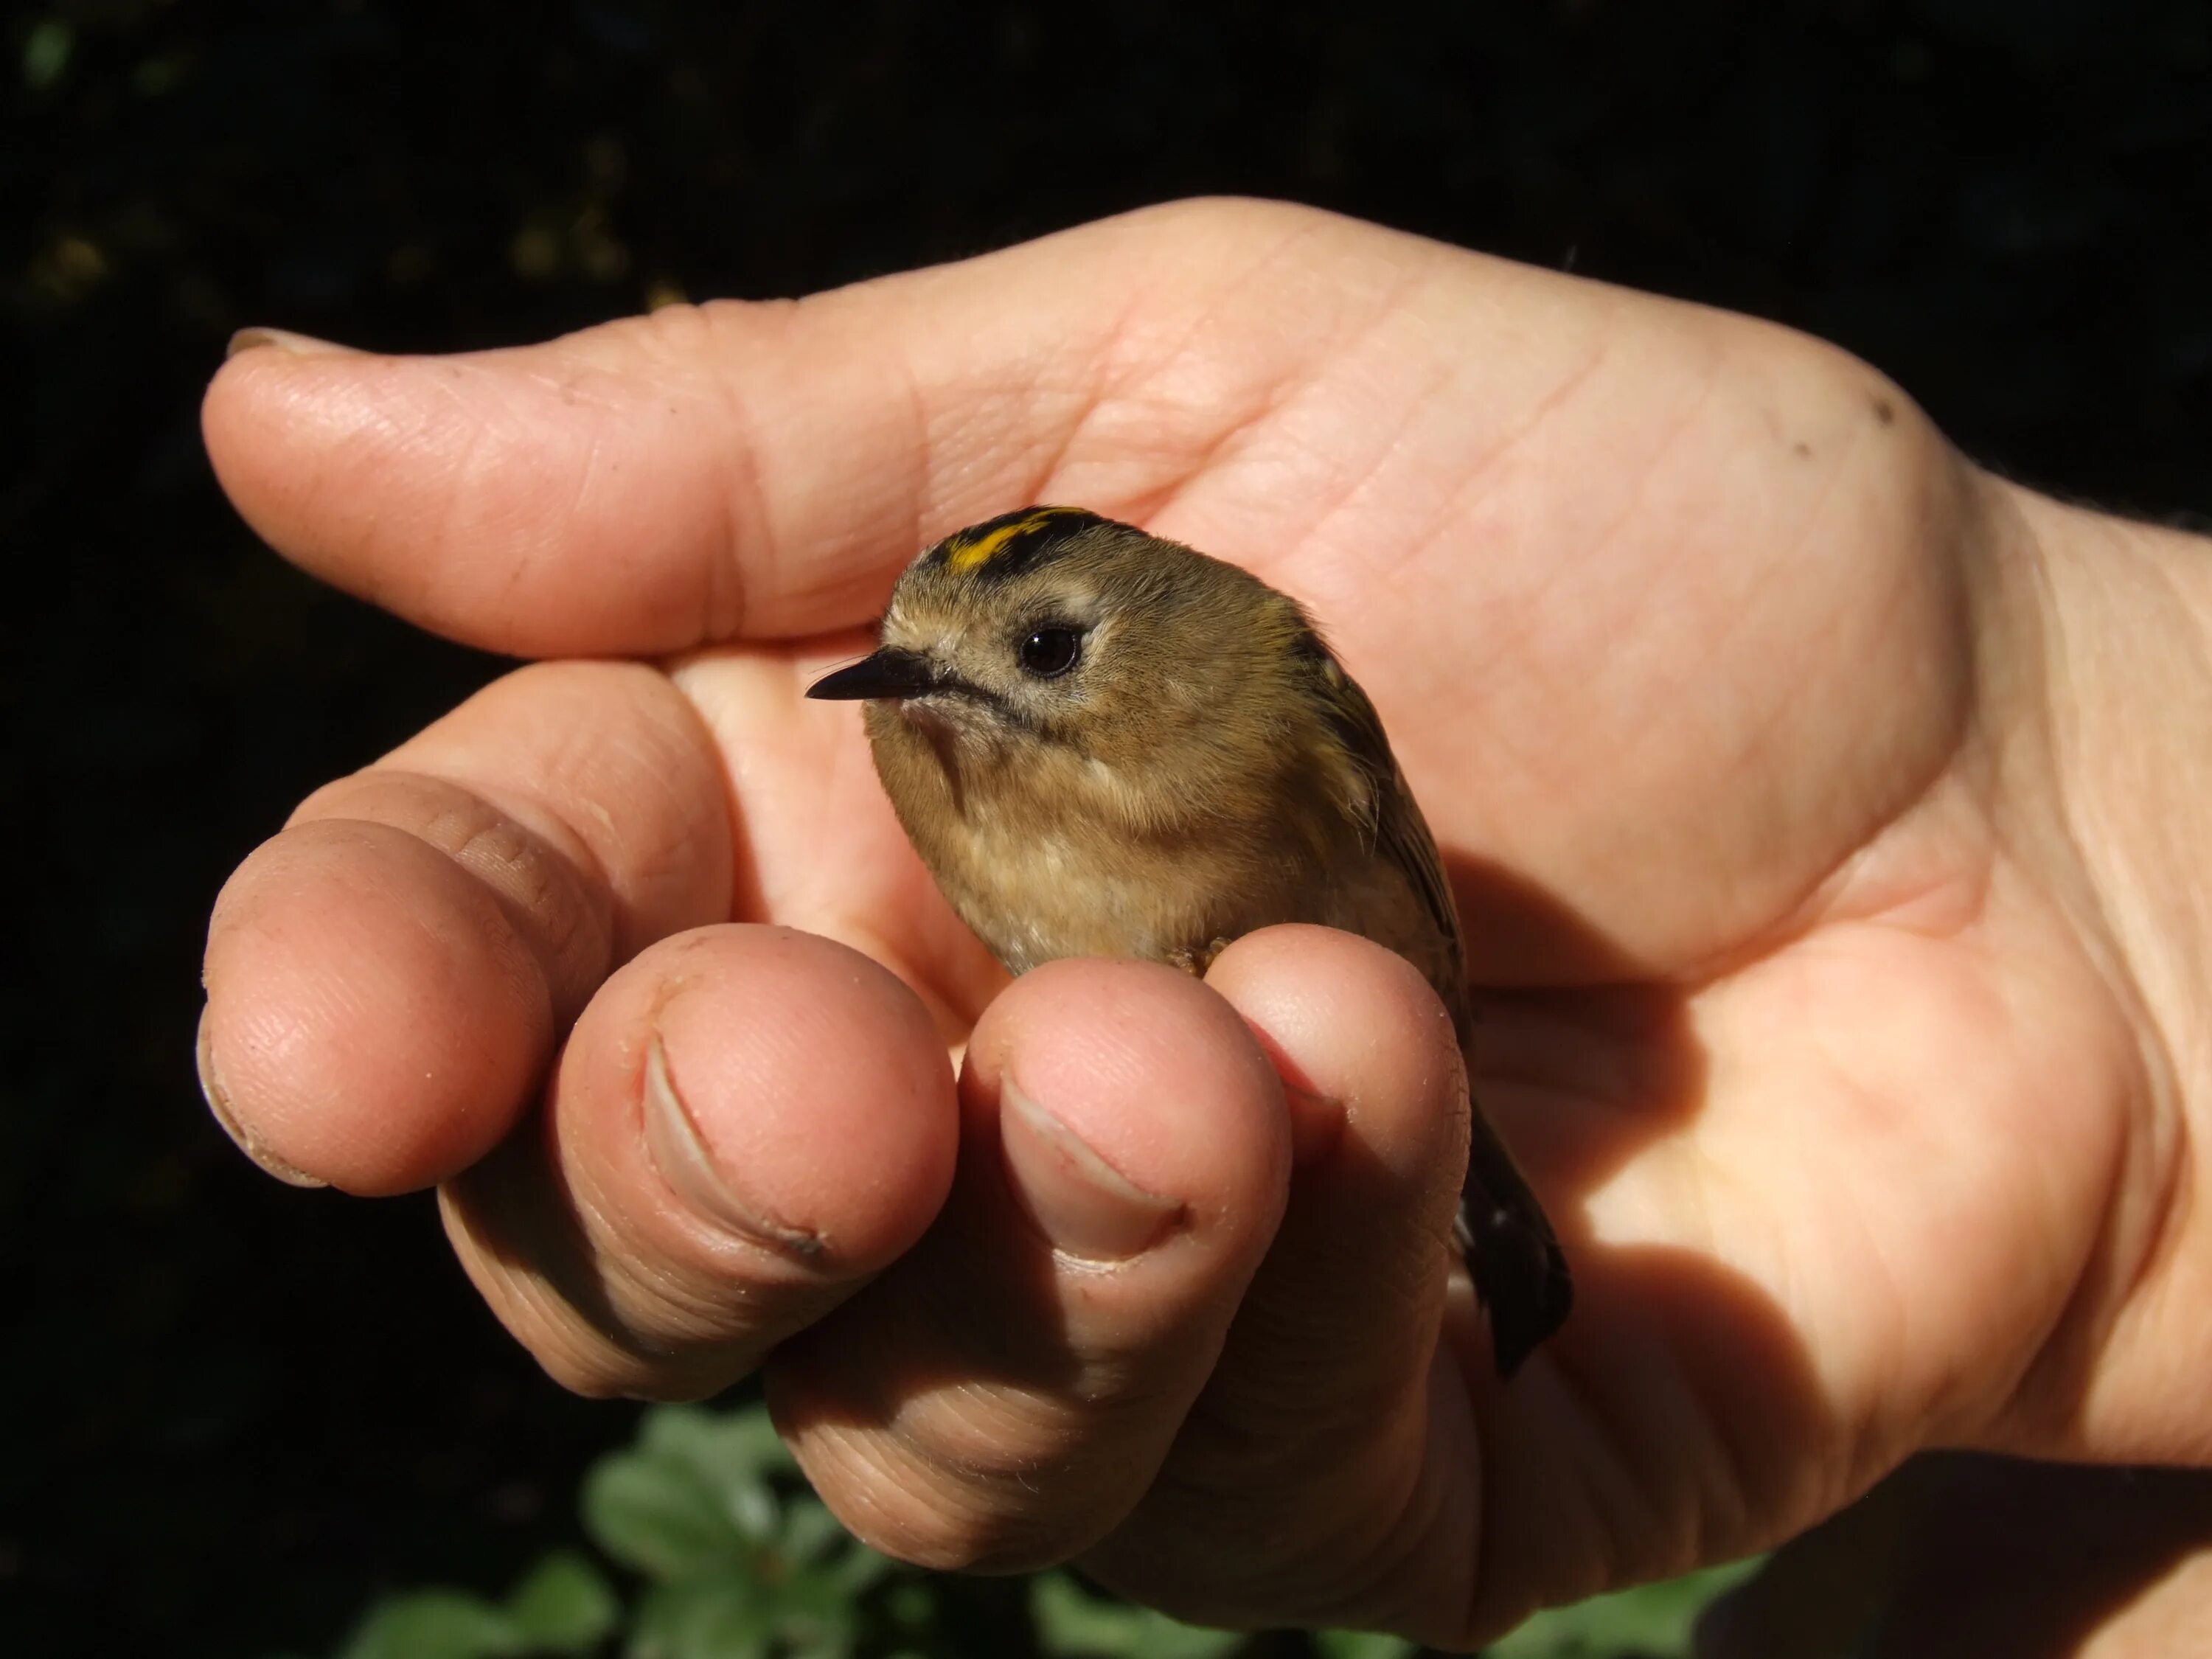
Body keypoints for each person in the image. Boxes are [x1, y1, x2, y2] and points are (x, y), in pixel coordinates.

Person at [195, 198, 2212, 1652]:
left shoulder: (1269, 693)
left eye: (1035, 652)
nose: (938, 690)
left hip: (1348, 1015)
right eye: (911, 656)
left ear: (1143, 637)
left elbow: (1395, 887)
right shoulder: (926, 750)